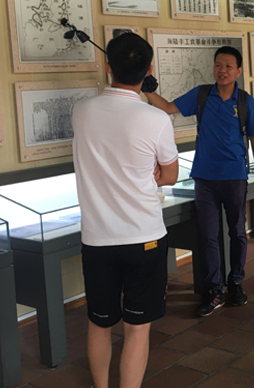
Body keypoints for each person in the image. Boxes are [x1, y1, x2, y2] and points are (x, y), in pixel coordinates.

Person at [72, 33, 179, 388]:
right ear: (149, 70)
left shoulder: (82, 110)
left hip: (97, 239)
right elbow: (170, 175)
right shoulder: (156, 119)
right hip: (144, 236)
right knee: (137, 328)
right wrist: (151, 171)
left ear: (108, 67)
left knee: (99, 323)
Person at [145, 46, 254, 316]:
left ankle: (235, 282)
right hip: (204, 178)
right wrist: (147, 89)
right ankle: (214, 290)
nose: (222, 71)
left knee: (237, 232)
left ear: (238, 71)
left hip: (235, 176)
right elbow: (167, 108)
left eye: (228, 66)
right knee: (207, 235)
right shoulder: (201, 95)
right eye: (218, 65)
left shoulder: (245, 102)